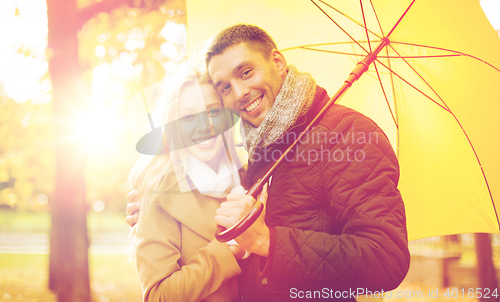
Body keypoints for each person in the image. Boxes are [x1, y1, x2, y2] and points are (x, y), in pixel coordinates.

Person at [128, 24, 410, 301]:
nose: (239, 93)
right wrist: (153, 209)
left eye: (246, 72)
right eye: (225, 87)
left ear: (278, 62)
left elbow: (386, 260)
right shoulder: (260, 148)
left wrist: (266, 241)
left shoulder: (349, 134)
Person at [128, 54, 251, 302]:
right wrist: (229, 250)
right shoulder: (161, 190)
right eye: (187, 117)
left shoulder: (251, 177)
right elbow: (158, 296)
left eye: (213, 111)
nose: (204, 126)